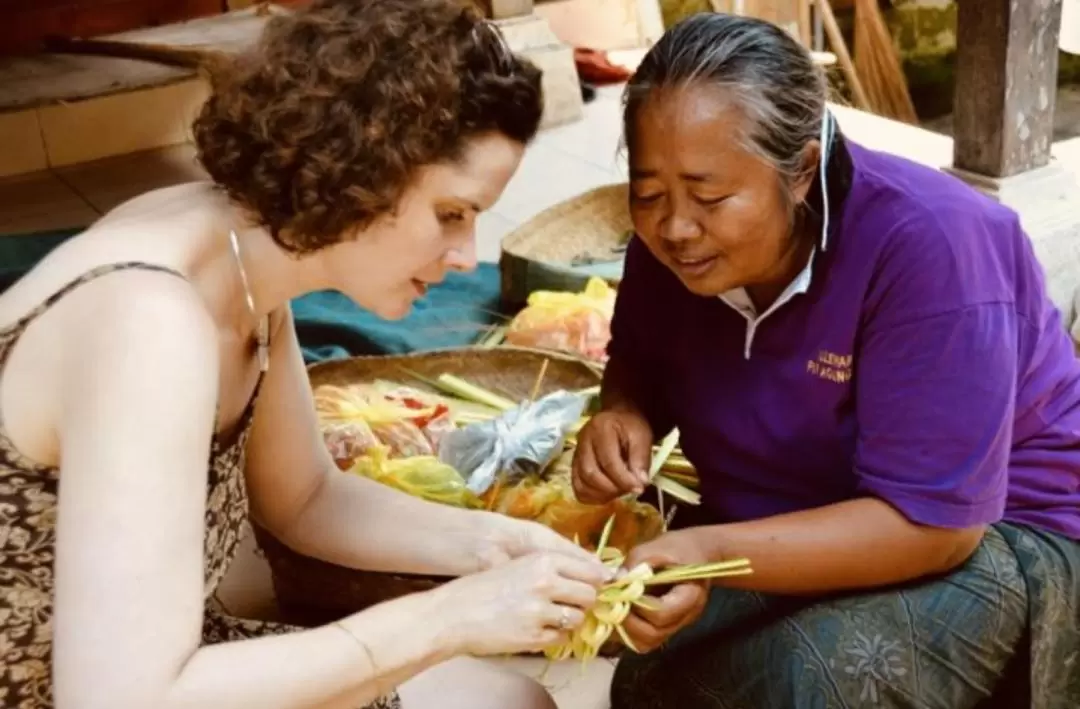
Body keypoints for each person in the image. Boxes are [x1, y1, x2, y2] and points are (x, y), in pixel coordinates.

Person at [0, 2, 615, 708]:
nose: (466, 256)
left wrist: (494, 542)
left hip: (128, 672)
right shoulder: (148, 322)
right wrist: (448, 616)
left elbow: (305, 498)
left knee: (512, 700)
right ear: (366, 166)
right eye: (451, 213)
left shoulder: (244, 260)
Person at [572, 12, 1080, 709]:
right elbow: (637, 357)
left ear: (803, 170)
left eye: (710, 196)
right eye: (648, 193)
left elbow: (935, 525)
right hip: (794, 510)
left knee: (799, 682)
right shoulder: (671, 244)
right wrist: (620, 409)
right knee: (649, 678)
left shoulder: (932, 245)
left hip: (999, 529)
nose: (675, 227)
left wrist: (707, 554)